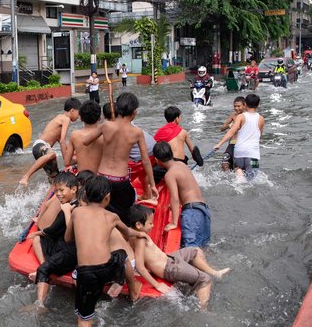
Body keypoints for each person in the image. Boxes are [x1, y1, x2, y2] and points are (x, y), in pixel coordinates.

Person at [64, 175, 147, 327]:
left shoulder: (77, 213)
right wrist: (141, 234)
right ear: (107, 197)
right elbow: (128, 232)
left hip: (87, 274)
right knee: (122, 255)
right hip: (107, 269)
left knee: (84, 319)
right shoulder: (112, 217)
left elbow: (67, 238)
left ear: (85, 194)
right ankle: (131, 288)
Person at [128, 204, 230, 308]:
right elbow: (139, 266)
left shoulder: (132, 233)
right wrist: (157, 285)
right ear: (138, 225)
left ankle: (213, 273)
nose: (153, 226)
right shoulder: (140, 240)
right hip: (169, 269)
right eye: (150, 223)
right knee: (205, 279)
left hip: (169, 259)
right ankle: (202, 310)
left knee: (195, 250)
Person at [83, 92, 158, 224]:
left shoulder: (106, 126)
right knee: (123, 216)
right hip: (120, 181)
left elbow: (85, 141)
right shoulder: (137, 132)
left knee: (102, 212)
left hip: (102, 178)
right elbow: (145, 161)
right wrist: (152, 185)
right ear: (134, 112)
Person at [27, 172, 79, 310]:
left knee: (43, 269)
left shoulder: (72, 208)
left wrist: (37, 232)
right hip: (67, 249)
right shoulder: (72, 204)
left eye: (61, 190)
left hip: (70, 253)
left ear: (74, 189)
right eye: (56, 190)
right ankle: (48, 266)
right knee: (38, 239)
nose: (58, 194)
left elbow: (65, 232)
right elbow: (56, 229)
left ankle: (39, 305)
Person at [153, 141, 211, 248]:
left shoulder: (170, 174)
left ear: (156, 160)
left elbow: (174, 198)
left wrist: (174, 222)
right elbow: (185, 188)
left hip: (192, 212)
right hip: (203, 209)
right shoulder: (182, 164)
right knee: (203, 246)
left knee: (190, 249)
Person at [19, 97, 81, 186]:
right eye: (78, 113)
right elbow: (63, 141)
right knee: (52, 154)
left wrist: (68, 160)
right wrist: (67, 163)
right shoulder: (65, 119)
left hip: (42, 150)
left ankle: (49, 195)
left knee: (55, 180)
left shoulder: (60, 119)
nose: (79, 116)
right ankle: (26, 176)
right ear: (72, 110)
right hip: (40, 145)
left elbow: (62, 143)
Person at [213, 93, 264, 180]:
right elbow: (259, 136)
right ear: (258, 105)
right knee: (254, 177)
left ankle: (239, 180)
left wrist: (219, 144)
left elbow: (232, 131)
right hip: (253, 153)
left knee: (238, 169)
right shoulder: (261, 119)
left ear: (245, 104)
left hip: (239, 152)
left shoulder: (241, 117)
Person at [63, 100, 104, 173]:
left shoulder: (75, 135)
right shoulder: (105, 135)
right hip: (100, 179)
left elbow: (66, 162)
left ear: (81, 118)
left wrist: (80, 157)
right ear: (99, 118)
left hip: (83, 178)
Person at [219, 97, 246, 172]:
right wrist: (228, 126)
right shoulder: (233, 116)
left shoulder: (247, 117)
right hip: (232, 144)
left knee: (238, 167)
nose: (236, 108)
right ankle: (228, 179)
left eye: (239, 106)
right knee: (225, 163)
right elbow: (221, 128)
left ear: (244, 105)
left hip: (242, 145)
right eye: (235, 106)